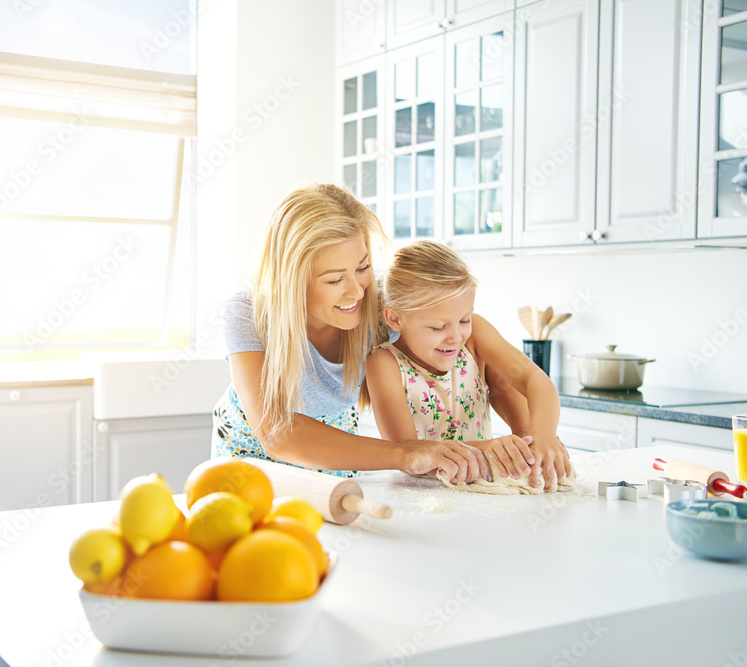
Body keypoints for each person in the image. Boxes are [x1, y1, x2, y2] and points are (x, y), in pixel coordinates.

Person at [212, 183, 491, 484]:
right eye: (334, 280)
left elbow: (469, 340)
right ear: (291, 281)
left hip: (336, 465)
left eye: (362, 268)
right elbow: (276, 432)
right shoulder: (247, 313)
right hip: (249, 471)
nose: (357, 291)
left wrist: (527, 438)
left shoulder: (381, 309)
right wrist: (404, 454)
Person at [364, 240, 571, 490]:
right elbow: (403, 448)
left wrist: (541, 436)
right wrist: (487, 449)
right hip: (423, 491)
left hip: (482, 485)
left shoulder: (475, 335)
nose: (456, 337)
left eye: (463, 319)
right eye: (438, 327)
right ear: (395, 318)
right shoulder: (384, 363)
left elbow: (534, 380)